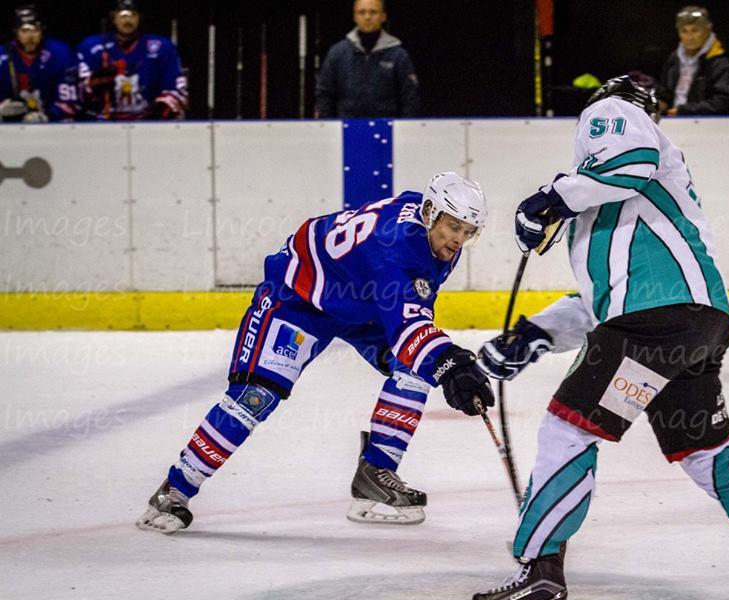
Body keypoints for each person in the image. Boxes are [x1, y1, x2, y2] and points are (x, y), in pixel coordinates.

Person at [468, 76, 729, 600]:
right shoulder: (623, 200)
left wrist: (550, 197)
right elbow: (607, 298)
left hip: (653, 327)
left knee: (569, 430)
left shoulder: (613, 119)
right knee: (704, 445)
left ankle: (542, 575)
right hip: (697, 326)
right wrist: (530, 336)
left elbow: (628, 157)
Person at [137, 172, 495, 533]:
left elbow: (411, 316)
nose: (459, 239)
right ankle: (175, 490)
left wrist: (443, 362)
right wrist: (451, 365)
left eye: (469, 231)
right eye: (454, 226)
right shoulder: (396, 249)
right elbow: (406, 328)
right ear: (431, 212)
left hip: (359, 302)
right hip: (298, 300)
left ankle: (375, 473)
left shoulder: (431, 233)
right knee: (255, 396)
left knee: (416, 367)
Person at [76, 0, 187, 121]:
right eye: (123, 15)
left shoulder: (162, 46)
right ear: (113, 17)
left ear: (140, 18)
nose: (128, 20)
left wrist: (160, 112)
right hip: (103, 125)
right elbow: (76, 96)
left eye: (133, 15)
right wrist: (91, 85)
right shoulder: (92, 46)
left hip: (147, 124)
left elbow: (176, 89)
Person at [315, 0, 420, 118]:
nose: (367, 17)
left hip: (387, 129)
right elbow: (324, 95)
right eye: (361, 12)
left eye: (373, 12)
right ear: (354, 16)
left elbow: (410, 99)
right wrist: (328, 127)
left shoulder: (398, 55)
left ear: (383, 17)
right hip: (346, 129)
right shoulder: (337, 53)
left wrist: (404, 130)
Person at [0, 5, 79, 123]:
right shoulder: (2, 56)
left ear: (42, 31)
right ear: (16, 32)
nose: (30, 37)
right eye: (25, 31)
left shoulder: (61, 53)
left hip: (54, 125)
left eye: (35, 30)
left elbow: (70, 102)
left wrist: (49, 115)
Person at [657, 5, 729, 116]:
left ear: (707, 29)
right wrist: (659, 103)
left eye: (695, 31)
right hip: (673, 125)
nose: (689, 37)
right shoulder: (673, 60)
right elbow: (664, 92)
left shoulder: (721, 63)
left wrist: (684, 111)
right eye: (684, 31)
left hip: (708, 127)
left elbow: (724, 102)